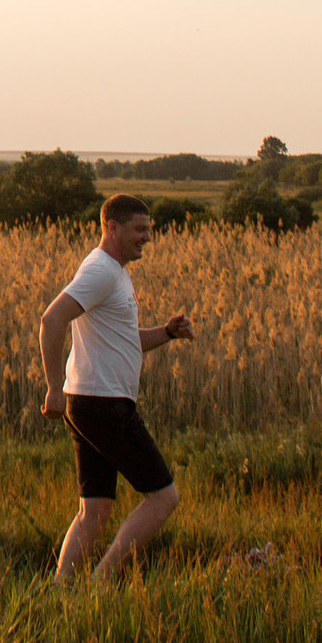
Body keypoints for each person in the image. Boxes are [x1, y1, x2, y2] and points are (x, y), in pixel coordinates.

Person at [37, 193, 195, 584]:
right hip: (102, 403)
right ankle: (100, 585)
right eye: (139, 229)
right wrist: (52, 388)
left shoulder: (115, 273)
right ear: (112, 227)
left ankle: (62, 592)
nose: (147, 238)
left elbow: (125, 339)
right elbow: (51, 319)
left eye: (149, 230)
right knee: (163, 498)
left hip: (92, 401)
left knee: (95, 510)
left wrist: (168, 333)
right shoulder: (102, 271)